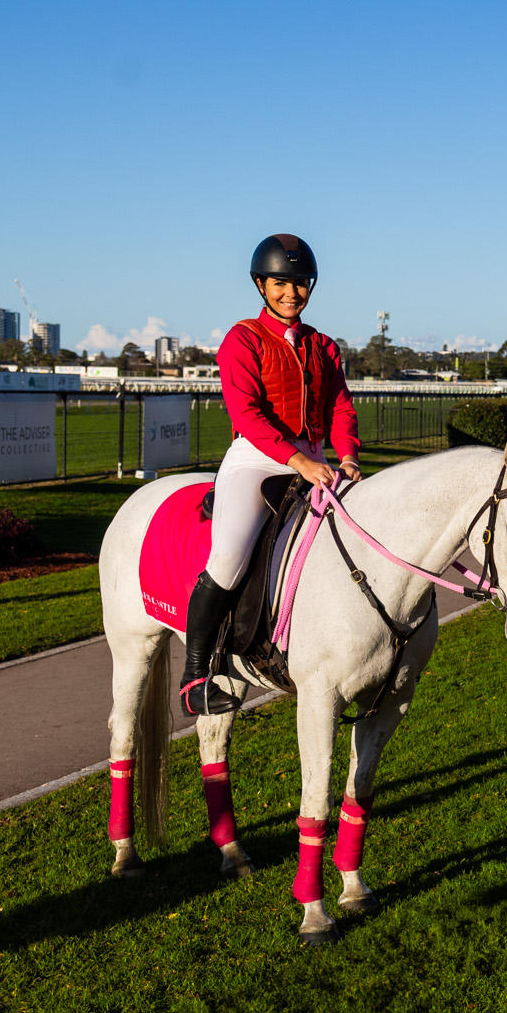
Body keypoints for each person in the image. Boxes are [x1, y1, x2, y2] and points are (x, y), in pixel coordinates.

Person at [181, 234, 361, 715]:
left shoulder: (323, 345)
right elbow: (247, 413)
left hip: (317, 460)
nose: (290, 293)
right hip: (256, 459)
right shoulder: (241, 339)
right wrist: (299, 461)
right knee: (228, 558)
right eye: (280, 283)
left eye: (299, 284)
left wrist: (348, 457)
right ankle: (194, 677)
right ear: (261, 285)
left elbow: (341, 408)